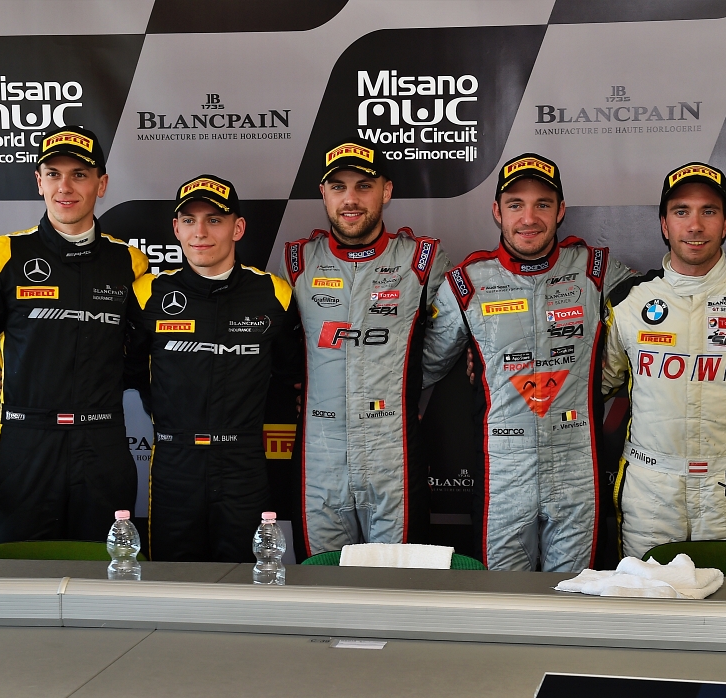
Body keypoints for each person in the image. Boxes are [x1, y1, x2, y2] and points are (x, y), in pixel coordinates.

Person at [424, 153, 634, 571]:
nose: (529, 218)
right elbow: (418, 365)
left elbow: (664, 304)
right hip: (503, 471)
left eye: (542, 204)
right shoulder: (467, 282)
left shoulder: (597, 271)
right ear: (496, 211)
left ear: (561, 211)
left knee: (576, 596)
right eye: (516, 204)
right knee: (502, 597)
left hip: (578, 468)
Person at [0, 126, 151, 544]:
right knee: (22, 575)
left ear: (101, 184)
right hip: (25, 443)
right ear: (39, 182)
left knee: (107, 572)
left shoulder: (129, 261)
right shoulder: (1, 255)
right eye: (53, 174)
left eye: (79, 174)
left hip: (103, 444)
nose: (65, 187)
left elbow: (143, 360)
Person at [602, 163, 726, 559]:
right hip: (650, 486)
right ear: (664, 224)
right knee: (648, 594)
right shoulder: (626, 301)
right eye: (681, 211)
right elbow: (594, 386)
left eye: (708, 211)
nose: (695, 225)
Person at [284, 139, 453, 557]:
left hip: (392, 454)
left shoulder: (422, 259)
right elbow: (278, 346)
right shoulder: (298, 261)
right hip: (319, 459)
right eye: (338, 187)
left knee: (397, 581)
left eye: (364, 186)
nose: (351, 199)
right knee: (320, 580)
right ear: (324, 194)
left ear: (386, 191)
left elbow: (456, 335)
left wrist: (402, 379)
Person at [126, 174, 299, 561]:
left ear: (238, 228)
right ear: (176, 228)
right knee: (173, 580)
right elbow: (130, 371)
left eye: (214, 220)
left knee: (246, 580)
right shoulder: (147, 293)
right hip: (174, 462)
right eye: (189, 220)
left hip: (244, 464)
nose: (200, 232)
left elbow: (290, 375)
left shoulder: (274, 293)